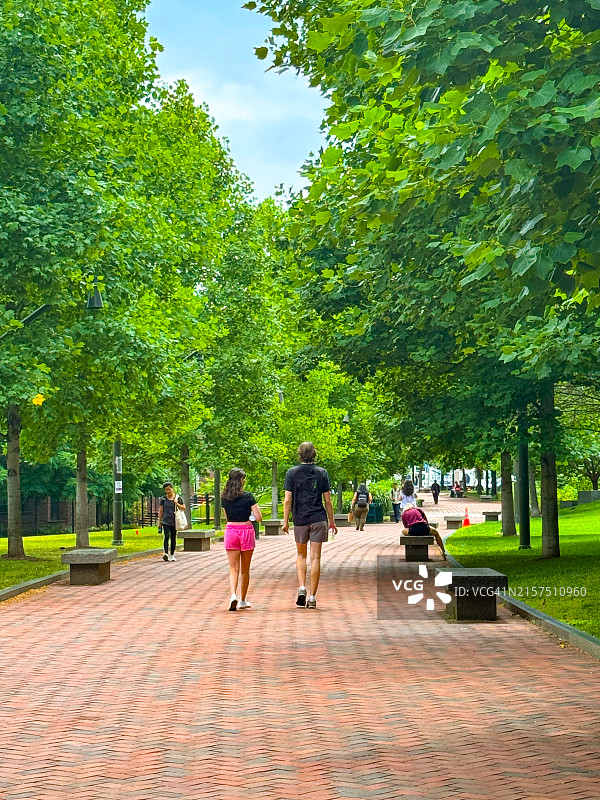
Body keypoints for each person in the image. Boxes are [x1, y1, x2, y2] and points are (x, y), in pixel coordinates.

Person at [283, 441, 337, 610]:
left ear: (299, 454)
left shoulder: (292, 473)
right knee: (316, 558)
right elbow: (327, 501)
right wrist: (332, 522)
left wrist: (285, 521)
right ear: (315, 454)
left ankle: (301, 587)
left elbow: (287, 500)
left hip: (300, 518)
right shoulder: (322, 473)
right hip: (318, 518)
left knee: (301, 556)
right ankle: (312, 597)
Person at [221, 468, 262, 611]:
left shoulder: (224, 497)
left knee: (233, 568)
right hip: (246, 531)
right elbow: (258, 517)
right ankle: (243, 600)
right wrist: (250, 515)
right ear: (241, 480)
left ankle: (233, 595)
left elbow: (226, 517)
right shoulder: (248, 496)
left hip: (231, 530)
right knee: (245, 570)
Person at [158, 482, 186, 562]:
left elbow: (184, 507)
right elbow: (161, 510)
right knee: (166, 537)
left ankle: (172, 554)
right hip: (165, 520)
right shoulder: (163, 499)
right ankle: (166, 553)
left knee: (173, 537)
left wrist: (177, 503)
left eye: (169, 489)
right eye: (166, 490)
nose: (167, 491)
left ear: (172, 489)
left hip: (174, 520)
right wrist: (159, 521)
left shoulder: (177, 498)